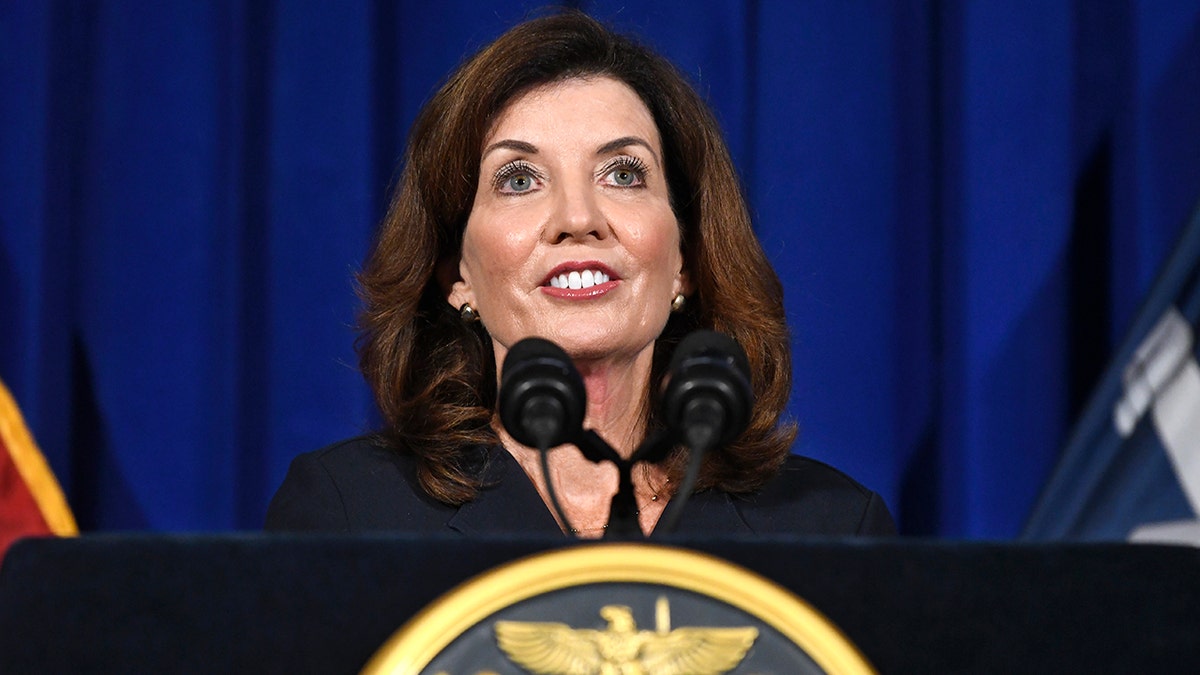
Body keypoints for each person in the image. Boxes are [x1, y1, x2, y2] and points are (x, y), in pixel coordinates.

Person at [265, 11, 894, 538]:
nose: (577, 218)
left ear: (687, 261)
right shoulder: (349, 515)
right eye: (519, 180)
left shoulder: (831, 528)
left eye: (623, 174)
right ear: (456, 273)